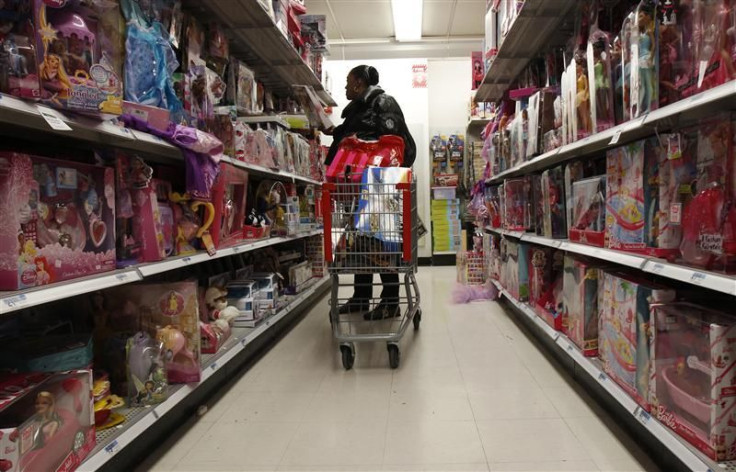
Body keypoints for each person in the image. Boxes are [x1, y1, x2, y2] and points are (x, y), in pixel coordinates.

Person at [325, 64, 416, 320]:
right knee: (359, 243)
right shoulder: (358, 109)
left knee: (381, 243)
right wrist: (336, 133)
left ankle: (390, 301)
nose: (344, 87)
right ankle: (361, 297)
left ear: (358, 83)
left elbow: (394, 144)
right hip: (357, 186)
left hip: (379, 188)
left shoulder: (383, 102)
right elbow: (355, 135)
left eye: (347, 82)